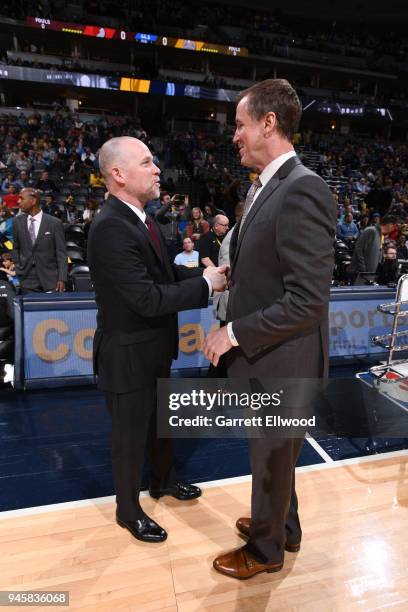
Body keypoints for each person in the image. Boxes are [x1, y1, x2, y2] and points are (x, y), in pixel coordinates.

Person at [203, 79, 336, 579]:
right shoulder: (266, 186)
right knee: (275, 457)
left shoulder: (303, 187)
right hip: (272, 355)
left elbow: (307, 299)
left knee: (271, 457)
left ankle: (265, 550)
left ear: (268, 123)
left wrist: (231, 332)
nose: (234, 135)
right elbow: (277, 271)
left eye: (240, 124)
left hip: (284, 358)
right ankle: (285, 526)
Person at [87, 136, 226, 544]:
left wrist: (213, 278)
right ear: (118, 174)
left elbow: (163, 277)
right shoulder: (111, 225)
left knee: (160, 426)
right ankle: (127, 511)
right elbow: (147, 298)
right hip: (128, 354)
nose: (157, 169)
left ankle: (162, 482)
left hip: (152, 349)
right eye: (147, 162)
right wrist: (204, 284)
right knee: (129, 439)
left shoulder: (141, 219)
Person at [12, 189, 67, 294]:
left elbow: (61, 253)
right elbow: (15, 248)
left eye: (21, 198)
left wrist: (62, 278)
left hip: (51, 279)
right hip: (27, 278)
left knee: (51, 310)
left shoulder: (54, 223)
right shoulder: (17, 222)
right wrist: (19, 267)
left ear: (33, 201)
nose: (18, 202)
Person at [348, 215, 398, 284]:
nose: (394, 229)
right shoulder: (371, 231)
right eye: (394, 226)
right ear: (390, 224)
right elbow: (358, 250)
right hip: (359, 274)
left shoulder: (380, 235)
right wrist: (364, 271)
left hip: (368, 275)